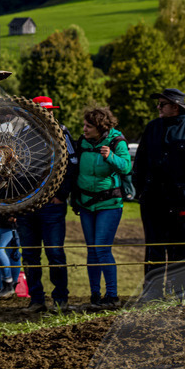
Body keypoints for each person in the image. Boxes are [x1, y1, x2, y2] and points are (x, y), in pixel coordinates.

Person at [131, 88, 185, 301]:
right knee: (154, 247)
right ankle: (153, 291)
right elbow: (140, 162)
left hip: (183, 202)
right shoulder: (152, 129)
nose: (158, 107)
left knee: (181, 248)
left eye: (162, 104)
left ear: (175, 106)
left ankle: (178, 291)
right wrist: (141, 192)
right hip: (153, 200)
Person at [16, 96, 78, 314]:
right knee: (30, 254)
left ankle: (61, 299)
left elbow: (72, 162)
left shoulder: (61, 132)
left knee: (54, 252)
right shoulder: (22, 135)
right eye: (43, 112)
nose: (47, 115)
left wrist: (61, 194)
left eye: (49, 111)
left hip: (52, 205)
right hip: (27, 205)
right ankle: (36, 299)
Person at [72, 106, 132, 311]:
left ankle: (113, 296)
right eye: (84, 125)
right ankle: (95, 295)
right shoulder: (82, 142)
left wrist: (111, 157)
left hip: (109, 204)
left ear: (100, 127)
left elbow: (126, 166)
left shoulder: (116, 141)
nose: (84, 129)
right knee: (91, 251)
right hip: (86, 203)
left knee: (102, 249)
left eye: (88, 126)